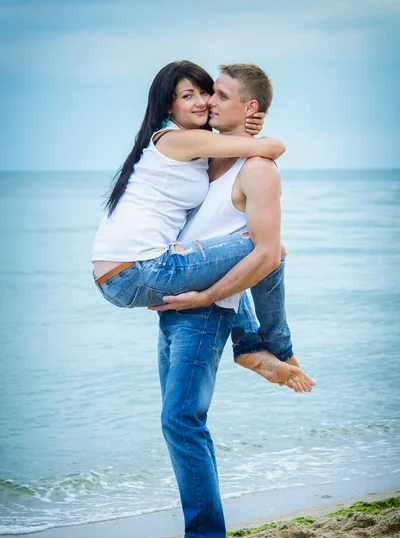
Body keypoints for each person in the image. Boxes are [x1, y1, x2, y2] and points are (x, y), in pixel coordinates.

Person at [154, 64, 314, 538]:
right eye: (204, 94)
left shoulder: (257, 169)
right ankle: (255, 345)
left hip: (205, 311)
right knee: (179, 420)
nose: (207, 102)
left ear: (249, 109)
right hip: (179, 306)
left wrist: (206, 301)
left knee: (182, 421)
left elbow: (267, 255)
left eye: (219, 95)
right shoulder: (209, 158)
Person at [92, 60, 312, 391]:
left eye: (210, 93)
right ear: (169, 104)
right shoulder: (181, 142)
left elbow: (246, 150)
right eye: (189, 95)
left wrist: (246, 120)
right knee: (267, 249)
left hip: (134, 274)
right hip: (145, 271)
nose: (204, 102)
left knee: (242, 249)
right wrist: (251, 123)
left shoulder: (199, 154)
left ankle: (255, 345)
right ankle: (269, 346)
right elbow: (272, 146)